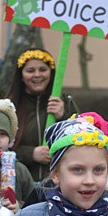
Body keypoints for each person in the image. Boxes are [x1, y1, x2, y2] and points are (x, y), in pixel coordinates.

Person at [6, 48, 69, 203]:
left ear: (51, 73)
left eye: (43, 69)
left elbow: (80, 142)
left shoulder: (65, 103)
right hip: (21, 187)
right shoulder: (8, 107)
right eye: (30, 70)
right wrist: (31, 154)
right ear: (21, 75)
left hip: (59, 185)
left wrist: (64, 117)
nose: (37, 75)